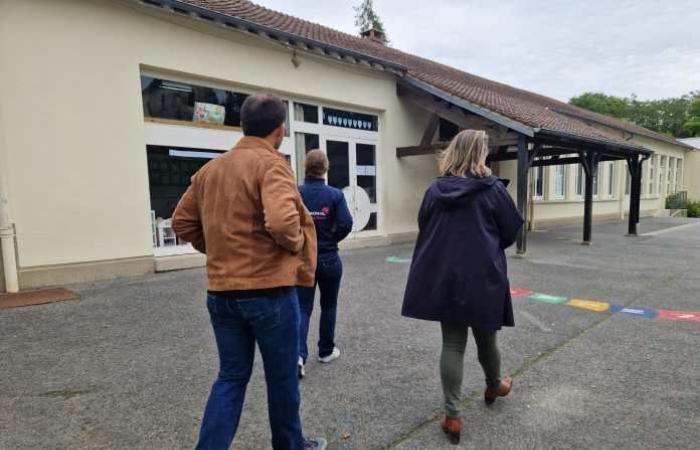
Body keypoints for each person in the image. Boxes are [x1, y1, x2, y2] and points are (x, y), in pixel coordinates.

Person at [172, 93, 327, 450]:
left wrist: (218, 246)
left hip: (222, 292)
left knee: (231, 377)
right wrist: (293, 245)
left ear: (243, 125)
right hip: (270, 292)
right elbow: (283, 223)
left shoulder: (211, 169)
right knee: (282, 379)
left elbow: (182, 221)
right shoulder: (273, 165)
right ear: (280, 130)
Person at [401, 129, 524, 445]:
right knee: (487, 337)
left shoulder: (435, 190)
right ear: (479, 154)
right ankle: (495, 383)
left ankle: (453, 416)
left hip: (447, 276)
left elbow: (425, 226)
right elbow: (511, 230)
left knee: (453, 343)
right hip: (484, 276)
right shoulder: (493, 190)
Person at [296, 150, 354, 378]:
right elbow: (346, 223)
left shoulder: (296, 193)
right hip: (329, 258)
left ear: (305, 167)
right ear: (326, 168)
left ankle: (298, 356)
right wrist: (330, 238)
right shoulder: (335, 195)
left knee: (302, 307)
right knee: (328, 306)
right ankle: (326, 351)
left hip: (303, 259)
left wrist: (301, 242)